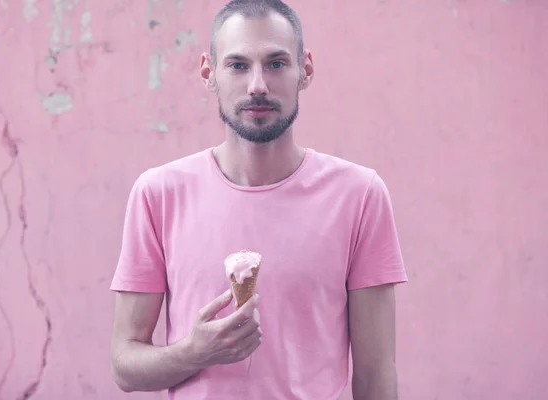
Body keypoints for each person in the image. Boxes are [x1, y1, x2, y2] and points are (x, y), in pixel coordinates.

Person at [109, 0, 408, 399]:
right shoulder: (159, 194)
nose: (257, 86)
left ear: (306, 70)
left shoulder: (359, 195)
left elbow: (375, 376)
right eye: (237, 65)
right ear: (208, 73)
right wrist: (194, 353)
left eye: (276, 63)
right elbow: (125, 367)